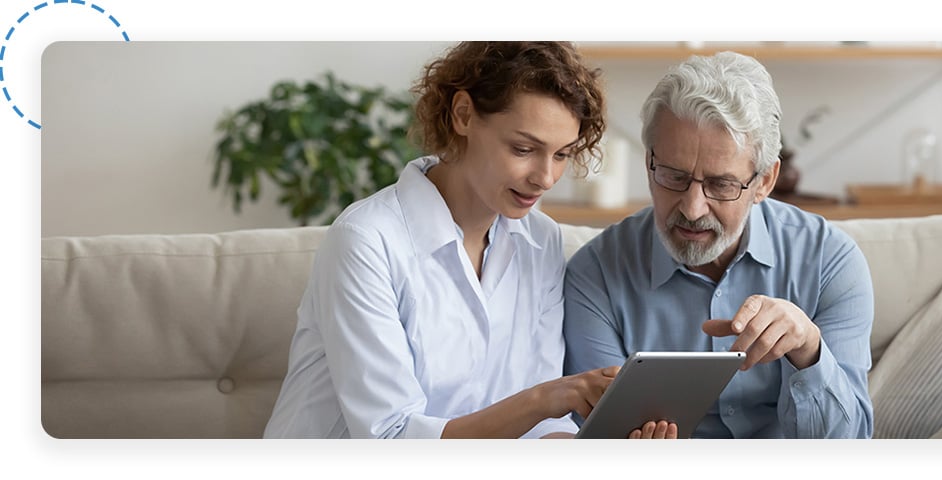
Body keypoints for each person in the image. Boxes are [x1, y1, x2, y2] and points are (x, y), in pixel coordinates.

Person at [264, 42, 674, 439]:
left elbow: (542, 427)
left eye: (563, 154)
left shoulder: (541, 238)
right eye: (523, 148)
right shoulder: (366, 241)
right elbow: (392, 440)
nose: (545, 178)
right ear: (463, 115)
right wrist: (546, 399)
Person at [562, 51, 875, 439]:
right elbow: (601, 440)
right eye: (674, 177)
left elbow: (850, 444)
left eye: (721, 185)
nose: (693, 209)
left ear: (764, 181)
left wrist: (809, 350)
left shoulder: (830, 262)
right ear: (648, 164)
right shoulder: (594, 275)